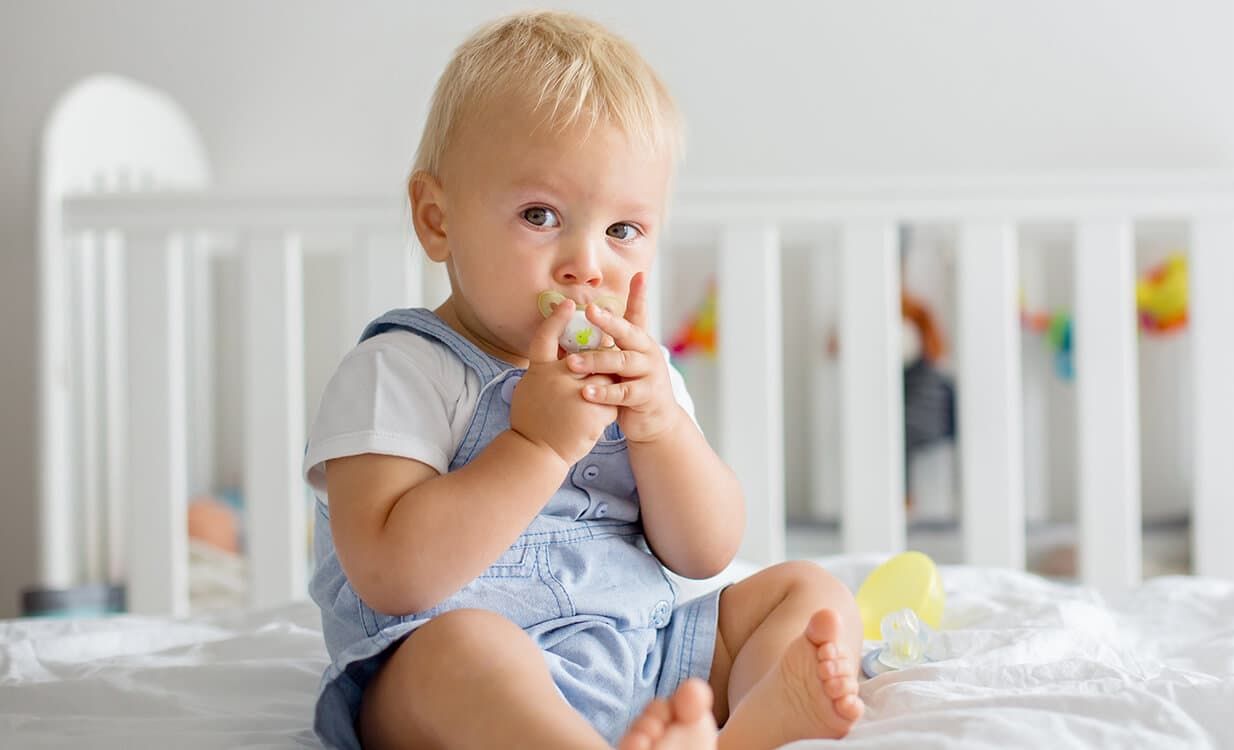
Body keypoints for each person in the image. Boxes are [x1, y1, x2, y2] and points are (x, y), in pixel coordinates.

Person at [304, 11, 864, 749]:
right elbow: (391, 576)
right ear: (438, 220)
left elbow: (704, 551)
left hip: (644, 650)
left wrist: (662, 429)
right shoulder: (401, 370)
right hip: (464, 671)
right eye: (541, 215)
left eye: (622, 231)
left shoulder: (638, 375)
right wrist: (535, 446)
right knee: (458, 656)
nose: (587, 264)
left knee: (807, 592)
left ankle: (740, 729)